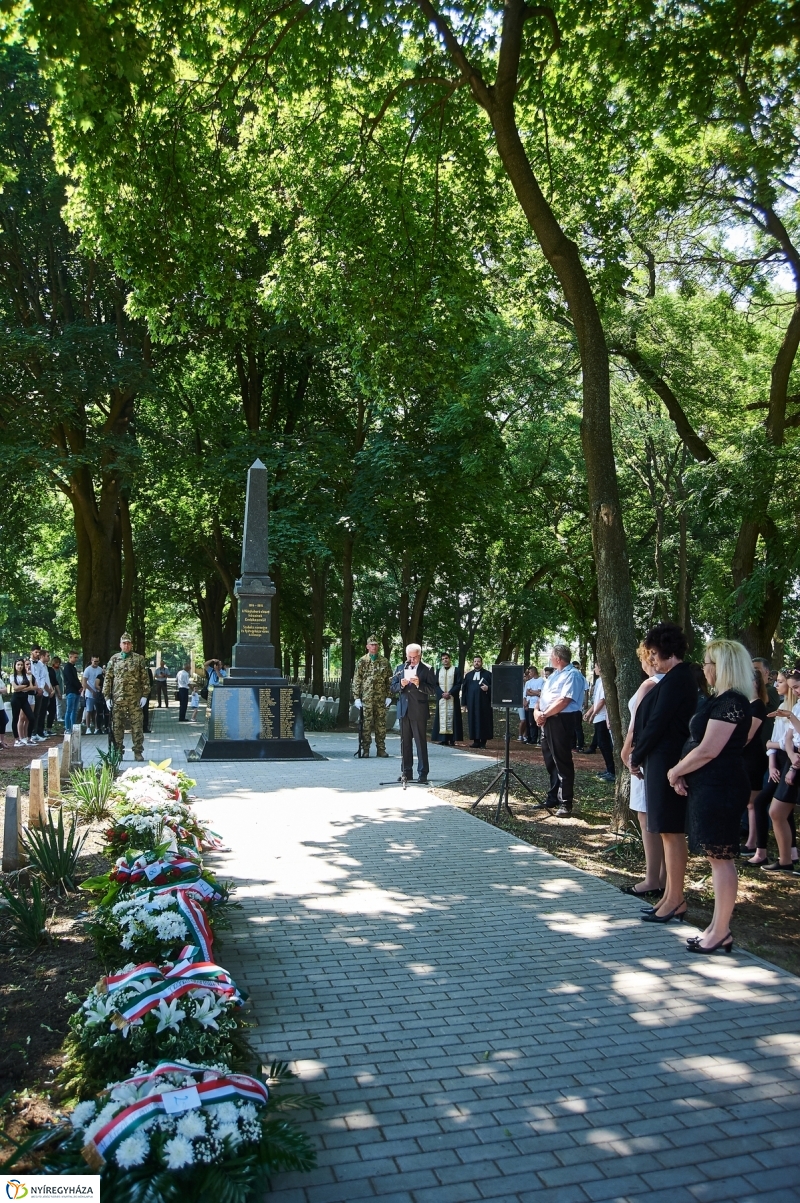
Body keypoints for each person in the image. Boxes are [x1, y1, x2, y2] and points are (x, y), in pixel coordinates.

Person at [667, 640, 753, 954]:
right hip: (709, 786)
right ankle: (717, 928)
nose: (704, 668)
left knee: (721, 859)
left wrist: (676, 770)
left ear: (721, 666)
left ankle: (720, 930)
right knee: (716, 859)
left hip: (722, 787)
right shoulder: (719, 700)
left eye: (708, 662)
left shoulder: (734, 701)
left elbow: (708, 749)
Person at [630, 622, 697, 925]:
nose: (652, 660)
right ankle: (670, 895)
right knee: (667, 832)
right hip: (659, 760)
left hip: (666, 759)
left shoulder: (680, 679)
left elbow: (658, 722)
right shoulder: (675, 678)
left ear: (667, 652)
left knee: (671, 831)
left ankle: (674, 898)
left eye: (654, 654)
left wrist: (637, 754)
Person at [620, 643, 665, 897]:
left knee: (646, 816)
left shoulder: (649, 685)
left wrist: (627, 752)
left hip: (642, 754)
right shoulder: (672, 684)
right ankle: (662, 876)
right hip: (656, 755)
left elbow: (635, 724)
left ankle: (652, 877)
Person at [534, 645, 585, 817]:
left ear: (558, 658)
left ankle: (566, 802)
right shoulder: (554, 675)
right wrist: (537, 712)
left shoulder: (573, 675)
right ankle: (553, 797)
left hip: (561, 720)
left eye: (551, 655)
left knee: (562, 760)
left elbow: (565, 700)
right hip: (547, 719)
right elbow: (542, 697)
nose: (550, 658)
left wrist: (545, 714)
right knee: (550, 760)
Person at [391, 642, 438, 783]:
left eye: (415, 657)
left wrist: (419, 684)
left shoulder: (427, 669)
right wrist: (401, 685)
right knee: (405, 743)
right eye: (410, 657)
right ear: (406, 656)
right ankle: (406, 772)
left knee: (420, 743)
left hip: (418, 710)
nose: (412, 660)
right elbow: (392, 688)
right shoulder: (400, 668)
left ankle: (423, 773)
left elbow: (433, 689)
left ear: (420, 655)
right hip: (404, 710)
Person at [103, 633, 150, 760]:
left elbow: (145, 678)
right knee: (117, 727)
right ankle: (118, 752)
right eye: (124, 643)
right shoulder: (114, 659)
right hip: (118, 699)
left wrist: (145, 695)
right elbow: (108, 679)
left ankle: (138, 751)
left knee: (137, 726)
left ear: (131, 645)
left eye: (128, 643)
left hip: (135, 700)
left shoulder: (139, 659)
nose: (126, 645)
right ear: (120, 645)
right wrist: (107, 697)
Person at [741, 669, 768, 854]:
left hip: (753, 757)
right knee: (748, 802)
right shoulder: (746, 704)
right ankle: (752, 840)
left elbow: (748, 735)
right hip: (743, 757)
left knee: (753, 802)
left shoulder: (757, 705)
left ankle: (753, 841)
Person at [352, 636, 393, 757]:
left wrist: (389, 696)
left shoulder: (384, 661)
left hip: (380, 699)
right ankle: (365, 749)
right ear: (367, 646)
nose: (374, 646)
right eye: (372, 644)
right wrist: (356, 697)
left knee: (381, 724)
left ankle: (381, 749)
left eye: (376, 644)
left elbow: (389, 680)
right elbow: (357, 680)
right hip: (367, 698)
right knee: (366, 724)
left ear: (378, 646)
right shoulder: (362, 661)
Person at [584, 661, 615, 782]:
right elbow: (597, 700)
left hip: (603, 717)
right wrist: (589, 712)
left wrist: (594, 714)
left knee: (604, 744)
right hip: (598, 717)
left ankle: (612, 771)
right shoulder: (598, 681)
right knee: (602, 744)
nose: (594, 669)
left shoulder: (605, 681)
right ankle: (609, 769)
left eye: (596, 666)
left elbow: (603, 700)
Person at [461, 655, 493, 748]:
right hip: (472, 703)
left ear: (481, 663)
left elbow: (495, 687)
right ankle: (475, 741)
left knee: (484, 721)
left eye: (478, 661)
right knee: (473, 720)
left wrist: (488, 688)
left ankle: (483, 742)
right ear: (472, 663)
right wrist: (464, 703)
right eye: (475, 661)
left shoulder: (488, 674)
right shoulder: (468, 675)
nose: (476, 663)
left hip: (484, 703)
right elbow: (465, 690)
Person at [431, 652, 463, 746]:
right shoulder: (438, 671)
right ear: (441, 661)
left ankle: (452, 739)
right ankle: (443, 739)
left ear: (450, 659)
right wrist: (441, 694)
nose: (445, 660)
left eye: (446, 658)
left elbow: (458, 683)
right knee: (441, 718)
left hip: (452, 698)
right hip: (441, 699)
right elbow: (435, 684)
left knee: (453, 718)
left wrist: (450, 693)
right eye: (443, 659)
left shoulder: (456, 670)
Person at [28, 644, 50, 743]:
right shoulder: (28, 663)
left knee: (38, 712)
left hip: (39, 690)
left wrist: (40, 688)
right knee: (30, 713)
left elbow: (42, 677)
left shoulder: (41, 665)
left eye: (38, 652)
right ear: (31, 652)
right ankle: (28, 733)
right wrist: (35, 688)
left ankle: (35, 732)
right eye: (36, 652)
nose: (37, 654)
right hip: (31, 690)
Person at [10, 659, 35, 745]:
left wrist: (21, 688)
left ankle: (28, 738)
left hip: (24, 698)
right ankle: (17, 739)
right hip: (16, 698)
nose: (20, 666)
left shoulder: (27, 676)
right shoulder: (12, 676)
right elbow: (15, 688)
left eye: (21, 665)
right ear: (15, 666)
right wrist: (24, 686)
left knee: (31, 718)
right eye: (18, 665)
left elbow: (31, 687)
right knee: (16, 718)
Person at [82, 655, 102, 734]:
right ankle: (88, 728)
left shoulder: (100, 669)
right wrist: (91, 690)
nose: (96, 663)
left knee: (97, 711)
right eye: (94, 661)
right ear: (91, 661)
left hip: (98, 694)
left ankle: (97, 727)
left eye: (97, 661)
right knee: (89, 710)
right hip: (89, 693)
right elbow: (84, 682)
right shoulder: (87, 670)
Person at [571, 661, 589, 750]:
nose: (576, 669)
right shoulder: (570, 677)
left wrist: (586, 702)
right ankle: (573, 745)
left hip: (577, 707)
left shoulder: (581, 677)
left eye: (577, 667)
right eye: (574, 667)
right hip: (570, 707)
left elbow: (586, 690)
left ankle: (580, 745)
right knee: (572, 727)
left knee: (577, 727)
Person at [523, 666, 543, 744]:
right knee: (530, 723)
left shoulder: (541, 680)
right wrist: (533, 692)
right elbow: (527, 692)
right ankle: (531, 738)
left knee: (537, 723)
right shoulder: (529, 682)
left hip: (537, 704)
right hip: (530, 705)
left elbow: (539, 692)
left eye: (530, 672)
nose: (529, 674)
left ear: (534, 672)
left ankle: (537, 739)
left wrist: (531, 691)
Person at [62, 651, 82, 733]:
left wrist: (80, 687)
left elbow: (76, 679)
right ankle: (67, 728)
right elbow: (71, 679)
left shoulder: (73, 668)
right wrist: (79, 686)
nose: (76, 659)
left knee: (74, 710)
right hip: (71, 691)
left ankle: (73, 727)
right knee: (69, 710)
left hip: (76, 691)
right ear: (70, 657)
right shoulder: (67, 667)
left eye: (77, 657)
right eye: (75, 657)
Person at [42, 651, 58, 734]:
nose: (49, 657)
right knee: (42, 712)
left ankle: (48, 728)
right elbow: (43, 681)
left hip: (50, 691)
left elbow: (50, 681)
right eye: (47, 656)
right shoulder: (40, 667)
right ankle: (40, 730)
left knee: (52, 710)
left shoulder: (49, 669)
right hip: (43, 692)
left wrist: (52, 690)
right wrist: (49, 691)